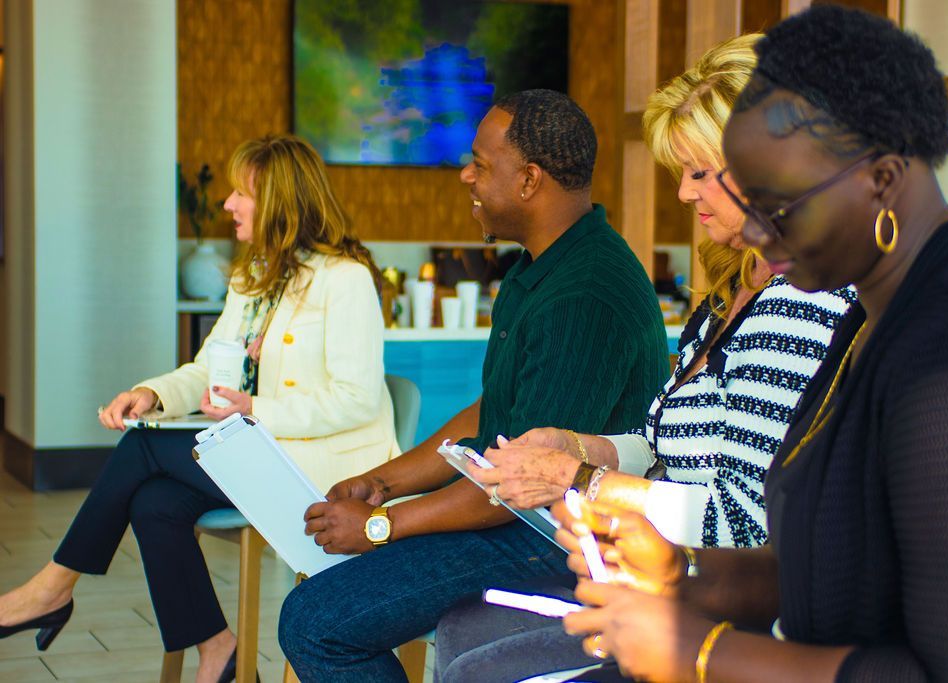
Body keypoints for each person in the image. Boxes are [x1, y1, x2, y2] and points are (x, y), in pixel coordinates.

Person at [558, 6, 948, 682]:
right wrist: (685, 575)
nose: (748, 229)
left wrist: (702, 652)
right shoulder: (874, 310)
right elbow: (826, 568)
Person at [432, 35, 855, 683]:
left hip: (722, 614)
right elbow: (665, 443)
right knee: (462, 626)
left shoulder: (800, 301)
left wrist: (578, 482)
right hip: (661, 576)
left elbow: (743, 524)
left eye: (699, 171)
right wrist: (580, 447)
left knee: (476, 666)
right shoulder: (731, 287)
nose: (684, 194)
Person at [276, 89, 669, 682]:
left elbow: (518, 489)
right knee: (323, 611)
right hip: (520, 515)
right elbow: (493, 415)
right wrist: (383, 482)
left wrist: (381, 527)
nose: (466, 176)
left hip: (556, 537)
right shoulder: (540, 266)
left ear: (530, 180)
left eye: (481, 165)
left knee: (314, 622)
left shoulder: (585, 293)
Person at [0, 134, 400, 683]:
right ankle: (219, 649)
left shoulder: (345, 280)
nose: (229, 204)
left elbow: (355, 399)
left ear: (281, 203)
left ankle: (51, 588)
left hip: (320, 478)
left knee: (143, 445)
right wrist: (154, 395)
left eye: (243, 193)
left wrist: (255, 407)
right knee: (154, 501)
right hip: (263, 457)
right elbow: (208, 368)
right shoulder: (253, 278)